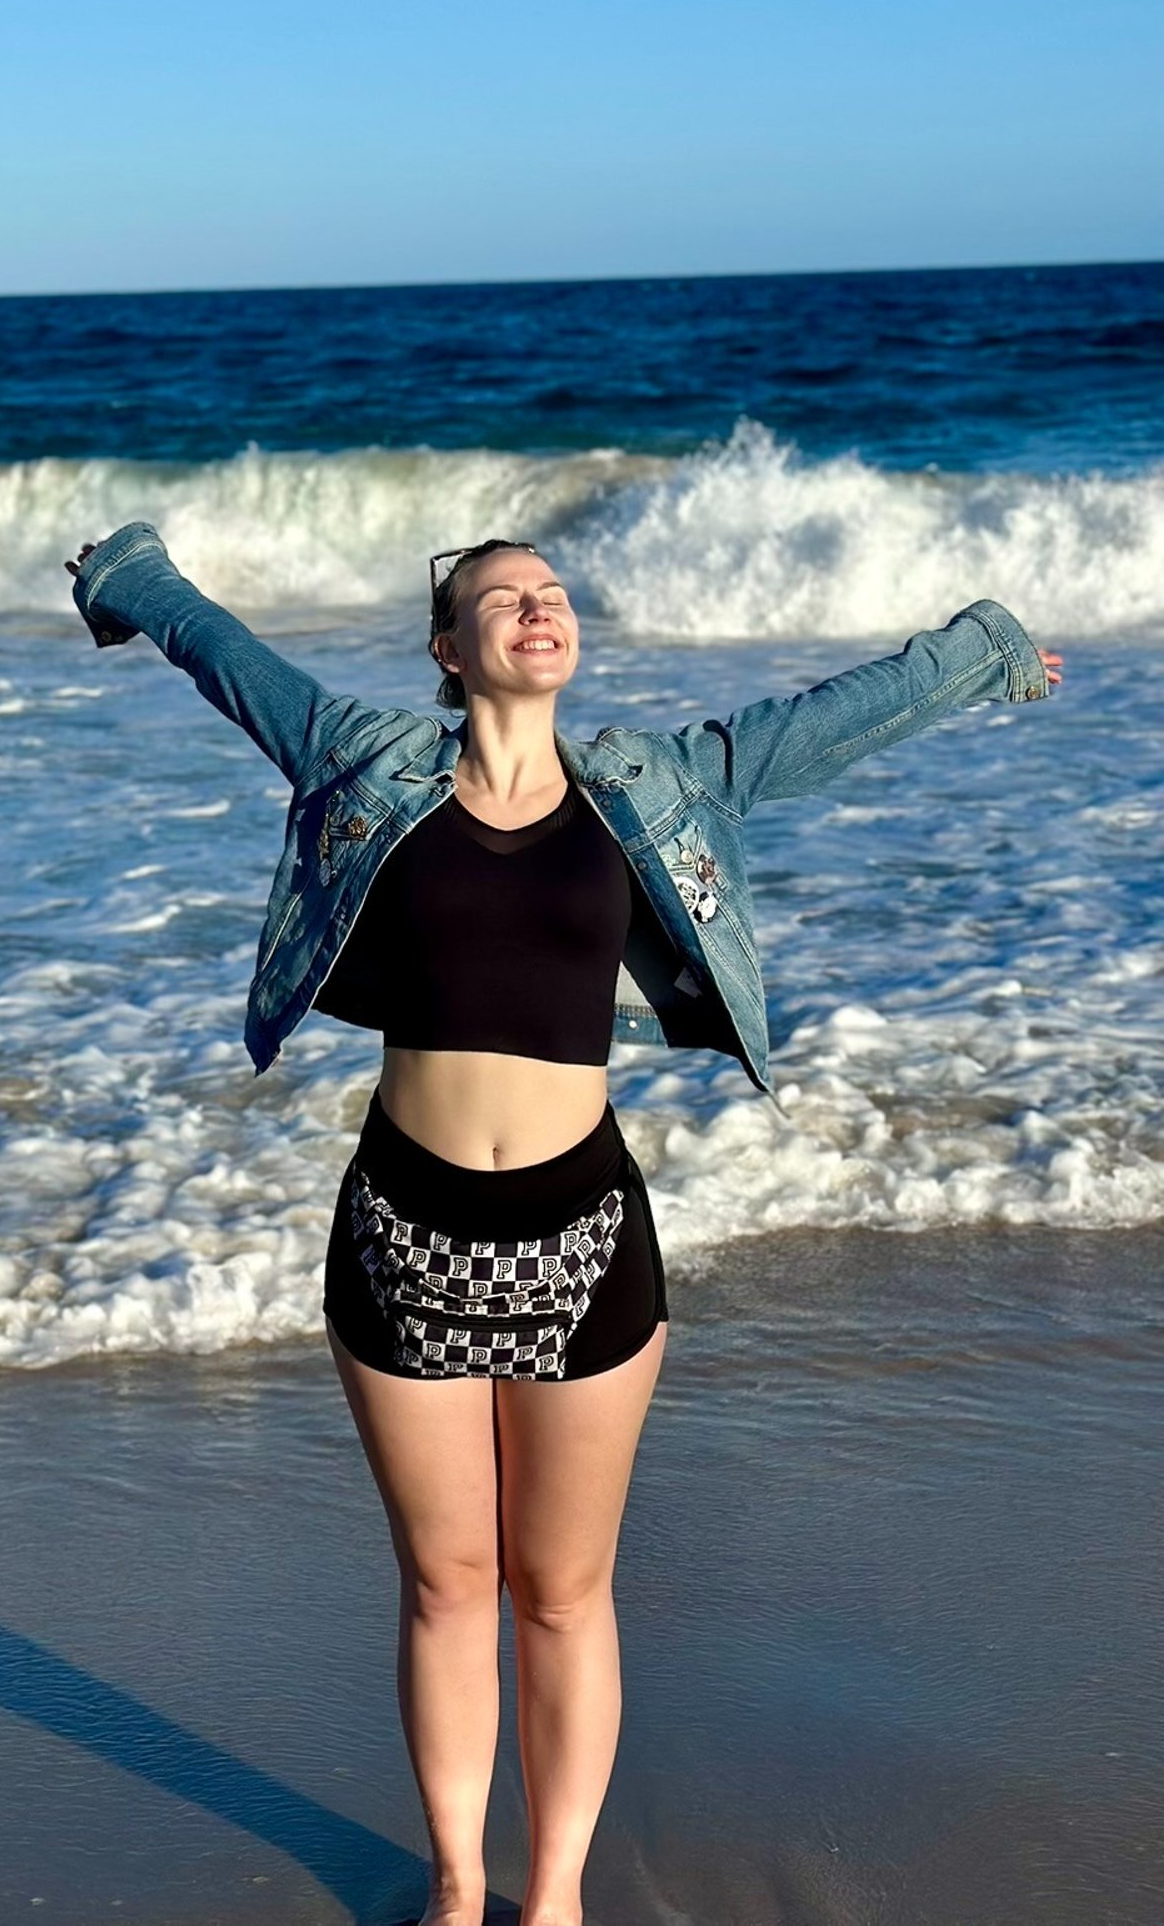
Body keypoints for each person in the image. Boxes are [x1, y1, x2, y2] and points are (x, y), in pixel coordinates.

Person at [65, 523, 1060, 1926]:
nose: (538, 611)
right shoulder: (365, 755)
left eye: (552, 593)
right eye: (501, 600)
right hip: (401, 1235)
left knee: (562, 1589)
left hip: (581, 1234)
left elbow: (829, 722)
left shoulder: (655, 785)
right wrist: (125, 582)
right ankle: (465, 1890)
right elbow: (229, 655)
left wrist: (983, 657)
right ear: (447, 650)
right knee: (446, 1584)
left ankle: (562, 1901)